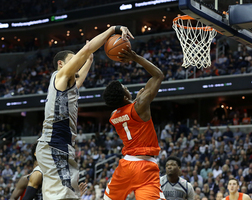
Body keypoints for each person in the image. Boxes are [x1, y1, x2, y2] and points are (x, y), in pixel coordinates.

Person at [36, 25, 133, 200]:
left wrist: (88, 61)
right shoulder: (60, 76)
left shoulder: (67, 86)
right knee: (62, 196)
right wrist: (113, 29)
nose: (77, 63)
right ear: (61, 64)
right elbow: (87, 48)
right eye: (74, 60)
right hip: (54, 143)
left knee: (70, 196)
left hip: (62, 145)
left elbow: (79, 80)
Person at [102, 47, 165, 200]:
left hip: (126, 165)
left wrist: (135, 101)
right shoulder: (140, 105)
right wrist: (136, 57)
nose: (127, 88)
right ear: (124, 97)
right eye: (125, 88)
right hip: (145, 167)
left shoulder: (113, 116)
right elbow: (158, 76)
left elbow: (126, 112)